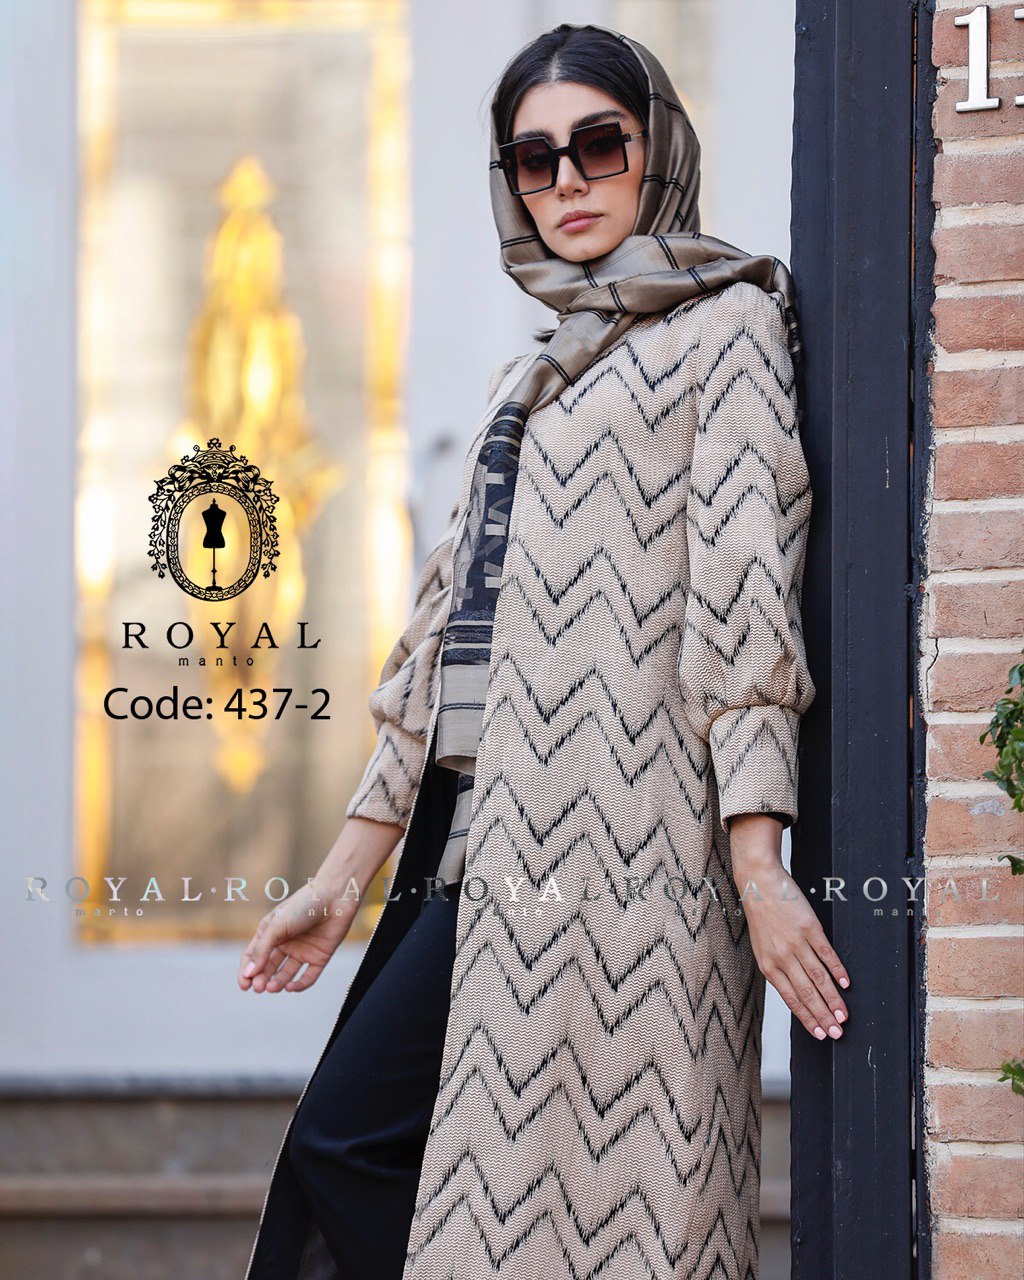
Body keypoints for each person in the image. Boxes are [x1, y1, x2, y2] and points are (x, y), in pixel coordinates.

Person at [239, 21, 851, 1280]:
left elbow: (744, 600)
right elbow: (435, 648)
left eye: (597, 145)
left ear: (656, 148)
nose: (566, 181)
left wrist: (757, 860)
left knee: (596, 1200)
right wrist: (342, 877)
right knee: (353, 1141)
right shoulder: (533, 372)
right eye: (534, 159)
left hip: (624, 842)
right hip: (478, 833)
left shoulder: (728, 323)